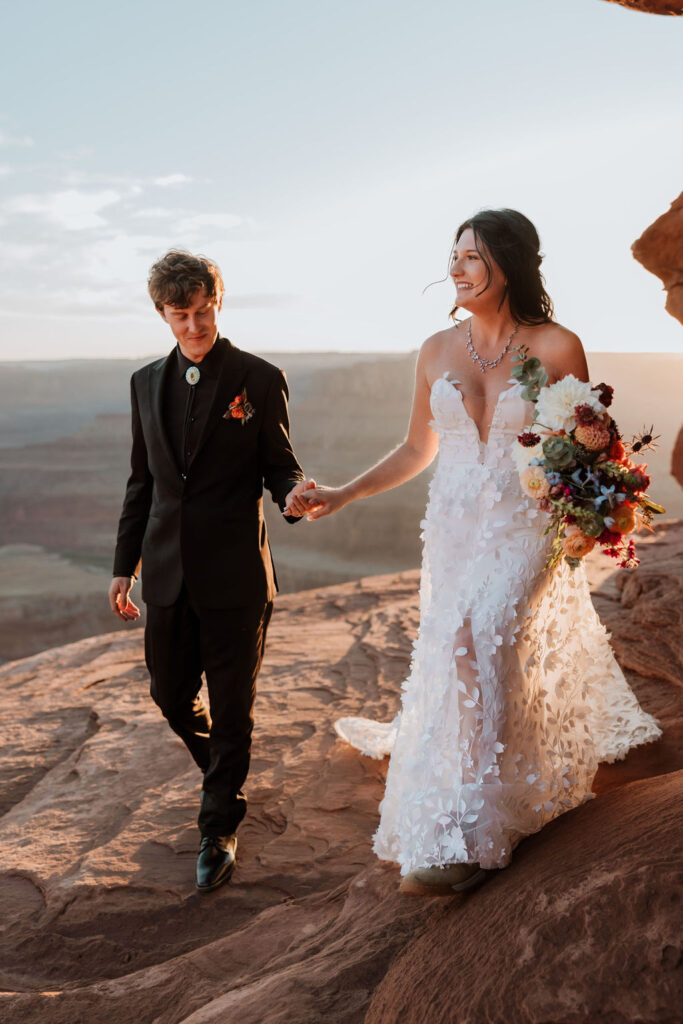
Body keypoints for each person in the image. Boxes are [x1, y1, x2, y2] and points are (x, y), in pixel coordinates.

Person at [291, 209, 662, 895]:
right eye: (453, 255)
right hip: (456, 529)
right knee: (456, 650)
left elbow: (592, 450)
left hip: (526, 529)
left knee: (481, 638)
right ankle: (482, 793)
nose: (455, 268)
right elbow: (415, 449)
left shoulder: (556, 346)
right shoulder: (434, 350)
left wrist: (588, 518)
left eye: (471, 256)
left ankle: (471, 830)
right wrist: (341, 494)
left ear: (508, 263)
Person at [109, 250, 313, 893]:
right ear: (163, 316)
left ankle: (219, 823)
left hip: (236, 577)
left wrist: (290, 495)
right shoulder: (144, 383)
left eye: (204, 311)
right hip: (167, 572)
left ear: (217, 304)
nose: (195, 326)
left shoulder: (258, 377)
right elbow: (142, 483)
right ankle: (224, 772)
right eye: (181, 315)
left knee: (232, 708)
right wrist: (125, 567)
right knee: (169, 695)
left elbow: (280, 463)